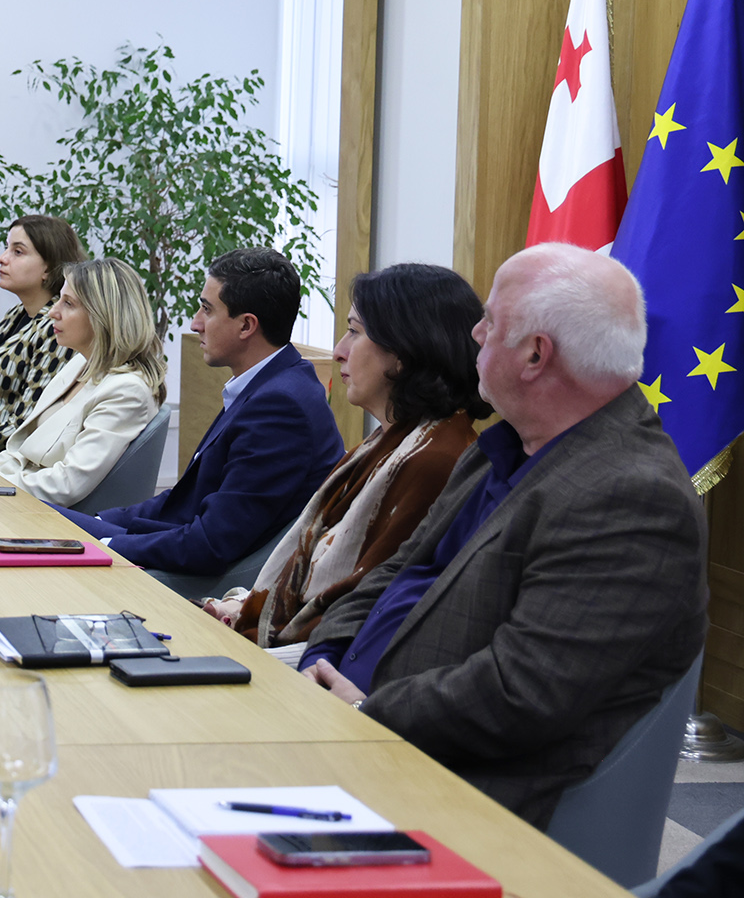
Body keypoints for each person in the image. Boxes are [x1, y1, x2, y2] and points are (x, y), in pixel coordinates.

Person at [300, 243, 706, 828]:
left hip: (448, 794)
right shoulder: (505, 445)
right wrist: (320, 658)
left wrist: (365, 710)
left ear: (535, 354)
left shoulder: (632, 497)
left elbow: (521, 691)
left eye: (490, 320)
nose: (474, 332)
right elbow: (395, 572)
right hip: (360, 735)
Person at [202, 263, 488, 652]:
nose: (338, 351)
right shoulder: (389, 443)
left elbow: (359, 612)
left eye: (354, 332)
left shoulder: (432, 460)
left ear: (402, 353)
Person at [53, 246, 343, 575]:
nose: (195, 324)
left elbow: (211, 544)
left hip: (192, 581)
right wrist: (100, 522)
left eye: (207, 309)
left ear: (246, 326)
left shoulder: (280, 408)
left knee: (46, 532)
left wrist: (106, 544)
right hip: (176, 543)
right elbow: (184, 501)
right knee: (43, 516)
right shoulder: (271, 386)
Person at [0, 258, 164, 506]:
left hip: (44, 514)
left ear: (103, 316)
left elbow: (67, 484)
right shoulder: (80, 363)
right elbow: (20, 454)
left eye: (68, 303)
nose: (53, 312)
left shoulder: (127, 391)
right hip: (18, 493)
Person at [0, 214, 85, 458]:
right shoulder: (15, 315)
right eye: (6, 248)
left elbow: (26, 424)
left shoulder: (56, 328)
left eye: (17, 252)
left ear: (49, 267)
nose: (2, 258)